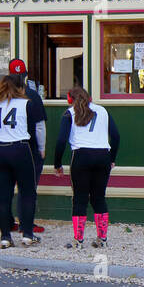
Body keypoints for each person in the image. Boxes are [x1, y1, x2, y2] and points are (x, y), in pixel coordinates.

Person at [53, 86, 120, 249]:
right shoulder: (103, 111)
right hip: (103, 155)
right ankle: (102, 239)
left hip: (81, 156)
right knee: (99, 198)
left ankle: (78, 240)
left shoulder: (70, 113)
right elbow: (116, 136)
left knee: (80, 198)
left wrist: (57, 164)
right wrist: (112, 158)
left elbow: (61, 141)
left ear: (70, 99)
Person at [0, 74, 45, 248]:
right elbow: (38, 128)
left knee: (3, 195)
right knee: (27, 192)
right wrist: (41, 148)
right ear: (20, 88)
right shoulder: (26, 104)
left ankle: (5, 236)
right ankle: (27, 233)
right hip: (20, 148)